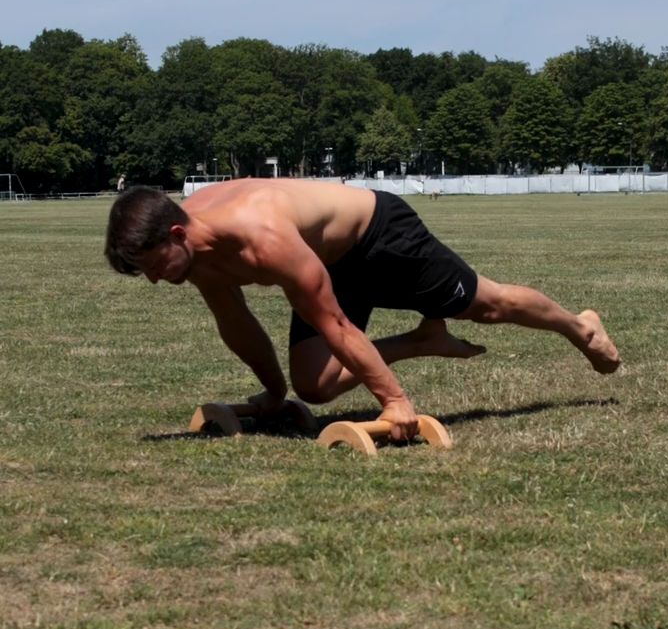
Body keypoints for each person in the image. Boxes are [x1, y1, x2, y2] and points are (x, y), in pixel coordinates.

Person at [104, 181, 621, 441]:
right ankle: (423, 341)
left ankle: (579, 325)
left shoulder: (260, 236)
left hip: (380, 236)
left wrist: (394, 403)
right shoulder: (194, 257)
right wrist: (274, 392)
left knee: (487, 305)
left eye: (151, 265)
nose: (153, 278)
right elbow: (235, 322)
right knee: (315, 386)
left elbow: (335, 324)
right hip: (328, 259)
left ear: (176, 234)